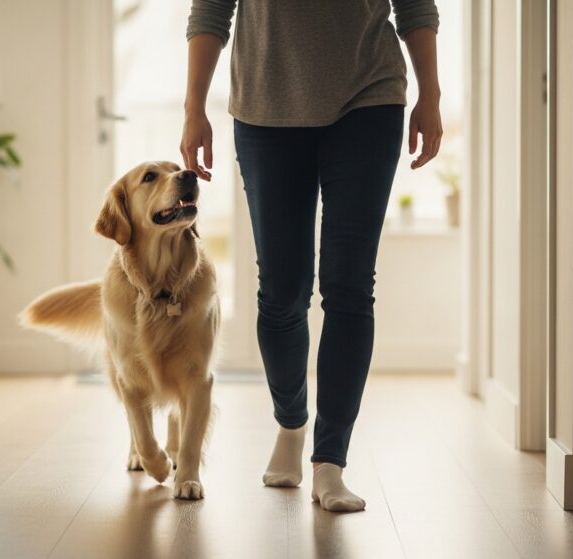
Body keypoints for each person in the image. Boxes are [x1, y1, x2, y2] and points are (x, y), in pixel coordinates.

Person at [181, 0, 442, 513]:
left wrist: (430, 92)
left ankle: (331, 461)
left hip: (370, 99)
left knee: (348, 288)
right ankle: (291, 423)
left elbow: (415, 6)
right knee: (282, 290)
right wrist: (194, 107)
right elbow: (210, 11)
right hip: (264, 106)